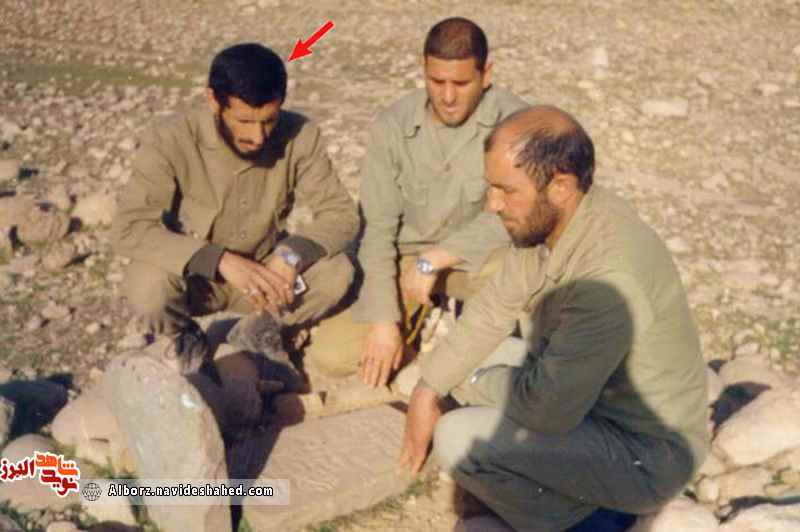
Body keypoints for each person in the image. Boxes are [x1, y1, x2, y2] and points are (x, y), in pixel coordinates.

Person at [399, 105, 709, 531]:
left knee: (457, 437)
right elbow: (493, 307)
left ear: (560, 185)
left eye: (506, 190)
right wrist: (428, 388)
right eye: (491, 187)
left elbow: (547, 411)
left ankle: (590, 519)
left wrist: (469, 383)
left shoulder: (610, 272)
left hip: (643, 454)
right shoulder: (557, 219)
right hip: (594, 403)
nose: (493, 204)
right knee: (464, 362)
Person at [111, 43, 358, 373]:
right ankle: (184, 337)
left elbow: (341, 214)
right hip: (194, 281)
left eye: (269, 120)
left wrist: (291, 255)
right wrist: (220, 260)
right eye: (244, 120)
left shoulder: (301, 136)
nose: (258, 137)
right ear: (214, 100)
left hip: (266, 282)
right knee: (147, 288)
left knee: (337, 271)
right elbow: (129, 229)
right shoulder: (170, 139)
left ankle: (261, 331)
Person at [309, 17, 528, 385]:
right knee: (332, 356)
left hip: (474, 260)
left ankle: (490, 347)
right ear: (424, 69)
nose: (447, 97)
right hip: (408, 261)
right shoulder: (392, 126)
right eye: (436, 82)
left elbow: (517, 214)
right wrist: (384, 320)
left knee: (523, 275)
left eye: (461, 84)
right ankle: (419, 321)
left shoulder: (516, 122)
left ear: (486, 74)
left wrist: (440, 257)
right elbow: (377, 229)